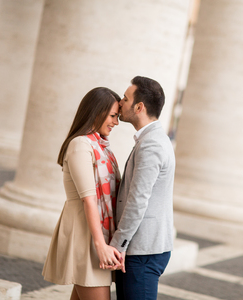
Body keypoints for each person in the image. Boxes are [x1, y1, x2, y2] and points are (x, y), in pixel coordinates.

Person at [42, 87, 123, 300]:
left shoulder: (102, 147)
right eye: (113, 116)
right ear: (97, 112)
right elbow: (89, 199)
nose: (116, 122)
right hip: (85, 236)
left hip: (95, 233)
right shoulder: (80, 145)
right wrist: (100, 245)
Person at [108, 76, 175, 300]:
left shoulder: (152, 144)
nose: (120, 102)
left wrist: (118, 245)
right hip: (141, 249)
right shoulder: (151, 139)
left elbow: (138, 200)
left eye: (125, 99)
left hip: (142, 252)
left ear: (139, 107)